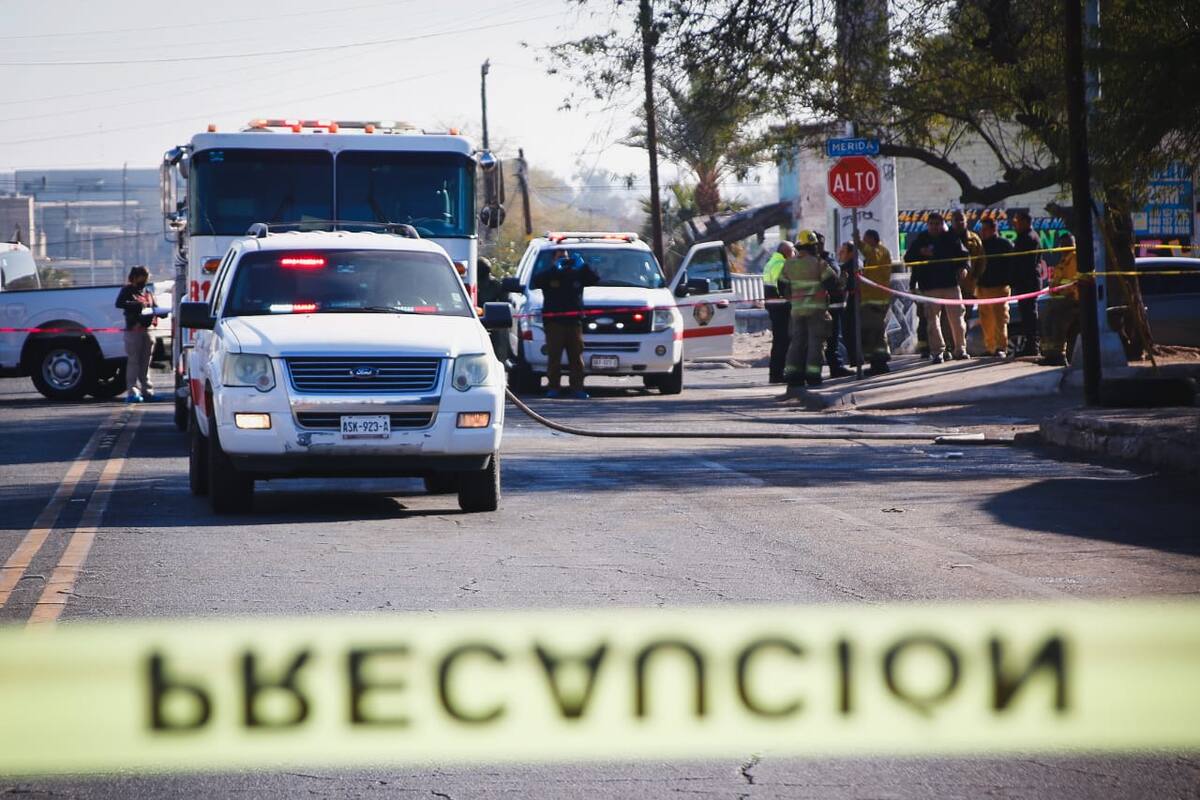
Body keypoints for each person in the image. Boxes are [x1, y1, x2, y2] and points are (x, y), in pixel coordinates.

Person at [532, 249, 599, 399]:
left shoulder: (576, 274)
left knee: (576, 357)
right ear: (553, 259)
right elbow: (537, 281)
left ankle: (577, 388)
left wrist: (583, 266)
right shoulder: (550, 274)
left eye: (566, 257)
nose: (565, 260)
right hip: (554, 323)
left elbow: (594, 279)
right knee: (554, 357)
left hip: (574, 322)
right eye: (560, 257)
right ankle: (554, 387)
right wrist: (555, 268)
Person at [904, 212, 969, 363]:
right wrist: (920, 252)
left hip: (950, 285)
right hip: (929, 286)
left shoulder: (951, 237)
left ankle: (960, 349)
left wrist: (964, 267)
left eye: (937, 224)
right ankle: (937, 352)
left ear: (942, 225)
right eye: (931, 224)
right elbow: (908, 259)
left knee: (957, 320)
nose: (934, 227)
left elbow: (964, 255)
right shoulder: (921, 239)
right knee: (932, 322)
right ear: (927, 225)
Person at [780, 230, 839, 388]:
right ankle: (813, 376)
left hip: (797, 311)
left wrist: (791, 298)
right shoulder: (819, 263)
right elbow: (832, 282)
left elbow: (781, 285)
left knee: (797, 342)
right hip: (816, 310)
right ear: (812, 246)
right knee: (815, 342)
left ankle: (793, 376)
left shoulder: (789, 263)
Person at [114, 265, 162, 403]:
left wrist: (161, 312)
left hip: (147, 330)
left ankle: (147, 391)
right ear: (135, 277)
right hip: (134, 331)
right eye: (144, 277)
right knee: (134, 362)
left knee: (145, 363)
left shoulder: (147, 291)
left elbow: (155, 307)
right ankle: (132, 392)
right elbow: (119, 304)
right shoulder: (127, 290)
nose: (146, 280)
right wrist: (137, 305)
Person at [854, 228, 894, 374]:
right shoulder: (877, 252)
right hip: (872, 299)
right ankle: (876, 363)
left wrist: (858, 243)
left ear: (871, 239)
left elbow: (871, 254)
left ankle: (880, 363)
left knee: (874, 334)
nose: (864, 243)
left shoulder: (879, 251)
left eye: (866, 240)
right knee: (875, 333)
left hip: (876, 300)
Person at [816, 232, 853, 378]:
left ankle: (835, 367)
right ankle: (817, 372)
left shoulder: (826, 261)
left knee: (832, 339)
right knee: (818, 340)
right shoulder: (816, 262)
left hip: (831, 306)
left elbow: (835, 282)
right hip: (820, 306)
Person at [1040, 232, 1079, 365]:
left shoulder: (1074, 258)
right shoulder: (1064, 260)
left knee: (1057, 322)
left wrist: (1058, 290)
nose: (1061, 248)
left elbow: (1072, 283)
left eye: (1063, 245)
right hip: (1060, 299)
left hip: (1072, 300)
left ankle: (1058, 355)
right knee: (1047, 320)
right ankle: (1050, 354)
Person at [1009, 210, 1044, 357]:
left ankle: (1032, 345)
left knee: (1029, 315)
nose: (1015, 224)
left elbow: (1025, 264)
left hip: (1028, 282)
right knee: (1026, 315)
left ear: (1026, 222)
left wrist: (1015, 278)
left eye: (1018, 222)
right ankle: (1030, 344)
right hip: (1025, 282)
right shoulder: (1024, 236)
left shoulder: (1029, 238)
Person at [977, 218, 1014, 356]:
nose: (983, 232)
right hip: (982, 288)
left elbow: (1012, 265)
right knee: (986, 320)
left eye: (985, 229)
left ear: (994, 229)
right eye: (982, 229)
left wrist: (1008, 280)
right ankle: (990, 347)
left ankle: (1001, 348)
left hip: (999, 287)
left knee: (1000, 319)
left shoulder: (1004, 244)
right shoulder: (980, 246)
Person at [761, 241, 795, 383]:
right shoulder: (782, 264)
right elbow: (784, 287)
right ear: (786, 251)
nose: (795, 253)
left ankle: (775, 373)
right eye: (793, 251)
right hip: (781, 307)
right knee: (782, 341)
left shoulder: (772, 262)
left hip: (773, 306)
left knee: (779, 341)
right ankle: (777, 374)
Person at [476, 257, 509, 363]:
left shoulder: (496, 285)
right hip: (475, 320)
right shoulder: (471, 285)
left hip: (492, 322)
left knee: (497, 346)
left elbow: (504, 302)